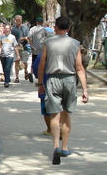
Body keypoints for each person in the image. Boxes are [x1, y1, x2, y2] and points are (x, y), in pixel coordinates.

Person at [37, 16, 89, 165]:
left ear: (56, 28)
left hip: (53, 79)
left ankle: (55, 147)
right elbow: (79, 67)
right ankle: (65, 147)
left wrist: (41, 83)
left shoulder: (48, 42)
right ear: (69, 29)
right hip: (69, 79)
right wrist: (84, 89)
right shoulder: (75, 44)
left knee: (54, 115)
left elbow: (42, 64)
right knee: (66, 115)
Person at [11, 15, 30, 83]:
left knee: (24, 62)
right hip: (16, 47)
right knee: (16, 61)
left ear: (21, 20)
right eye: (17, 19)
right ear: (15, 20)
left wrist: (24, 38)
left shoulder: (26, 28)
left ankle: (25, 71)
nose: (18, 20)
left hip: (24, 47)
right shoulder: (13, 29)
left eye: (19, 19)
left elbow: (29, 37)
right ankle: (17, 77)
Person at [28, 16, 47, 82]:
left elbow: (29, 38)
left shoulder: (32, 29)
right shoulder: (44, 30)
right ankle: (41, 75)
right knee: (42, 62)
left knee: (33, 62)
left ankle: (31, 72)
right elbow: (47, 38)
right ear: (42, 23)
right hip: (42, 50)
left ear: (36, 22)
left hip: (35, 49)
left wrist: (31, 46)